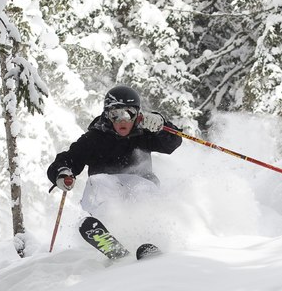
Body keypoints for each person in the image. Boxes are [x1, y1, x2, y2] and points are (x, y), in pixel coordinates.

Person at [46, 84, 182, 259]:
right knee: (99, 182)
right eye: (114, 114)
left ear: (137, 114)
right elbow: (69, 159)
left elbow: (173, 143)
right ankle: (108, 239)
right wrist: (62, 172)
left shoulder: (145, 133)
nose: (121, 120)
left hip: (141, 183)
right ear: (107, 115)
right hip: (107, 188)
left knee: (142, 191)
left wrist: (161, 126)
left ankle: (151, 241)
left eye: (128, 113)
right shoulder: (94, 138)